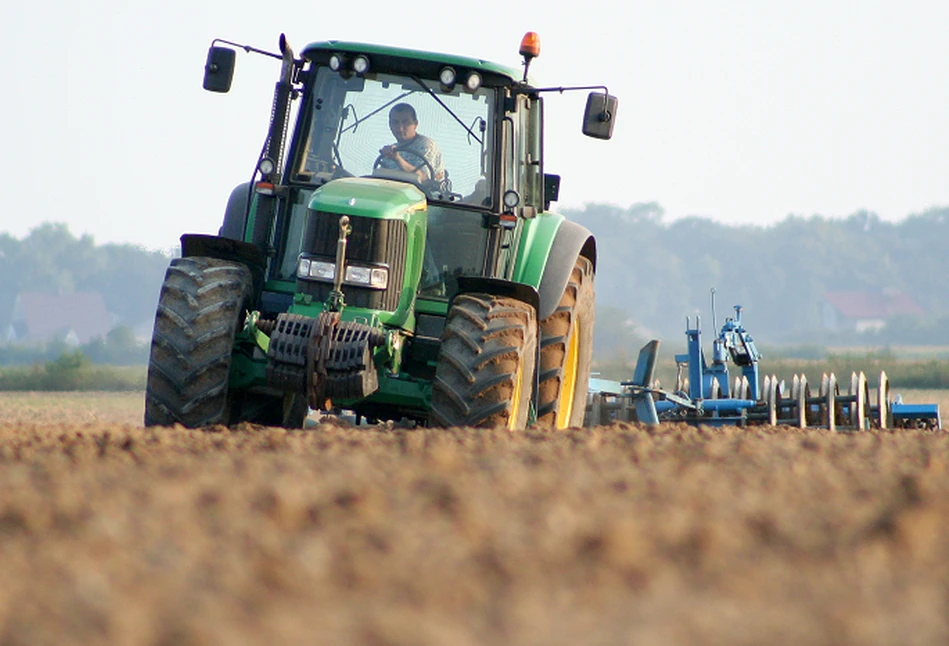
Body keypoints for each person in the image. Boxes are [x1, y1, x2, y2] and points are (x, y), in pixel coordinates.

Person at [378, 103, 445, 184]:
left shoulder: (426, 145)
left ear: (415, 124)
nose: (400, 128)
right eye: (395, 122)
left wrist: (398, 159)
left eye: (405, 122)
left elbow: (424, 178)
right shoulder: (390, 152)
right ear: (390, 125)